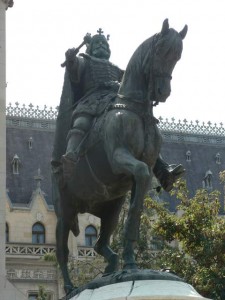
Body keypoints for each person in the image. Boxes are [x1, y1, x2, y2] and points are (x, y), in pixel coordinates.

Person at [53, 29, 184, 192]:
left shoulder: (117, 69)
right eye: (97, 43)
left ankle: (162, 170)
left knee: (143, 131)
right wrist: (71, 58)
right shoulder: (85, 61)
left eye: (104, 43)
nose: (101, 45)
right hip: (91, 101)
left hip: (114, 102)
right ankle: (71, 156)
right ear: (90, 48)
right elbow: (74, 71)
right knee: (81, 122)